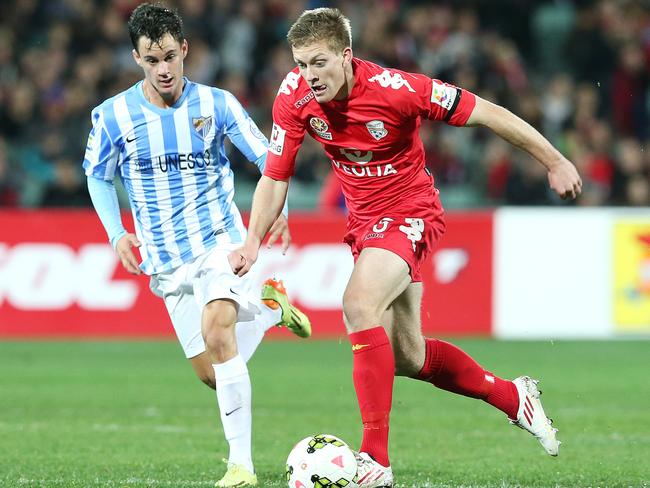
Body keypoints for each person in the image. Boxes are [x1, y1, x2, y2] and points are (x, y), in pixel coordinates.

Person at [230, 7, 582, 487]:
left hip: (411, 211)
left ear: (346, 56)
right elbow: (275, 176)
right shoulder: (293, 98)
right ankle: (511, 396)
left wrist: (555, 159)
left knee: (357, 304)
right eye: (301, 64)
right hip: (364, 225)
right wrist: (253, 241)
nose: (309, 76)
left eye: (319, 63)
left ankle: (375, 460)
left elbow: (488, 113)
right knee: (408, 357)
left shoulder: (399, 90)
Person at [83, 4, 311, 487]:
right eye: (151, 59)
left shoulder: (218, 104)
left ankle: (241, 466)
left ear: (185, 49)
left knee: (218, 331)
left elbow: (268, 157)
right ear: (136, 58)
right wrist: (116, 232)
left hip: (219, 242)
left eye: (169, 55)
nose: (163, 69)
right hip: (166, 261)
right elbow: (98, 177)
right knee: (212, 370)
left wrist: (279, 210)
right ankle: (270, 308)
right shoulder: (113, 116)